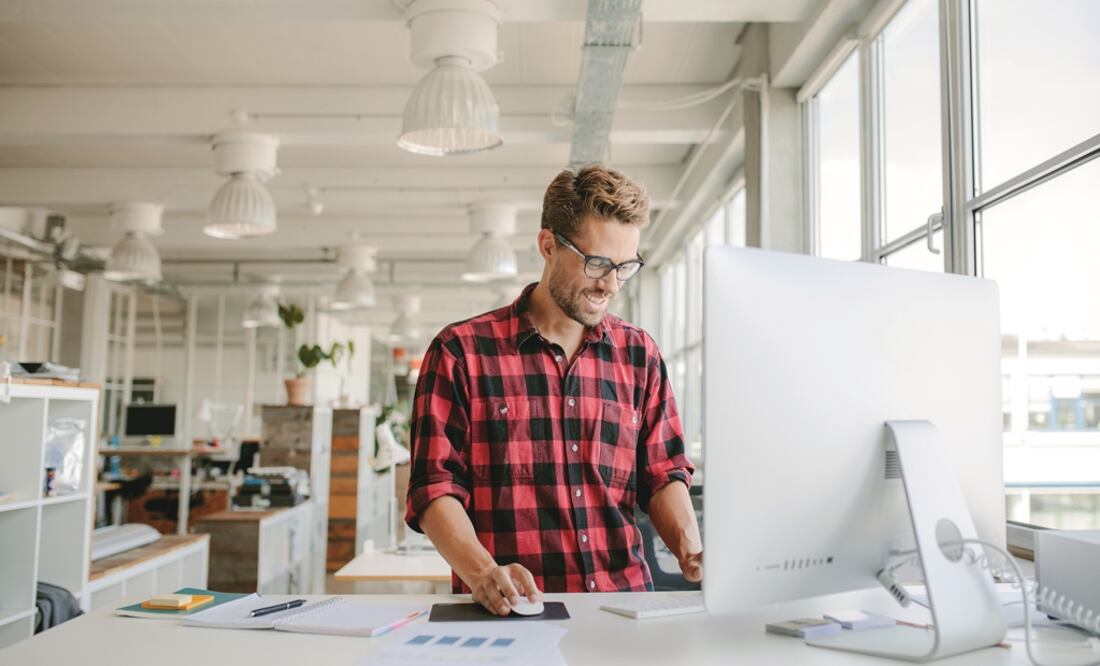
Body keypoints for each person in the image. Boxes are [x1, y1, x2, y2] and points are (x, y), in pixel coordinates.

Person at [405, 164, 702, 616]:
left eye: (625, 267)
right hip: (512, 614)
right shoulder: (460, 352)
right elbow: (434, 488)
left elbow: (662, 473)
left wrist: (691, 549)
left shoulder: (640, 355)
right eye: (597, 262)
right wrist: (483, 572)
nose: (610, 283)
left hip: (624, 610)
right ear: (548, 246)